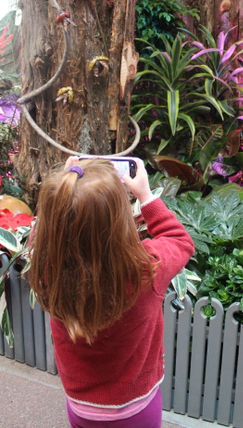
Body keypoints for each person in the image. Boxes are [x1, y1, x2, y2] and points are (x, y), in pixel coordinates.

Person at [29, 156, 195, 428]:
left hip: (81, 407)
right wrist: (146, 197)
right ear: (119, 220)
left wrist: (65, 189)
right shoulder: (146, 269)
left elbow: (43, 235)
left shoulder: (49, 268)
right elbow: (179, 240)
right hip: (136, 408)